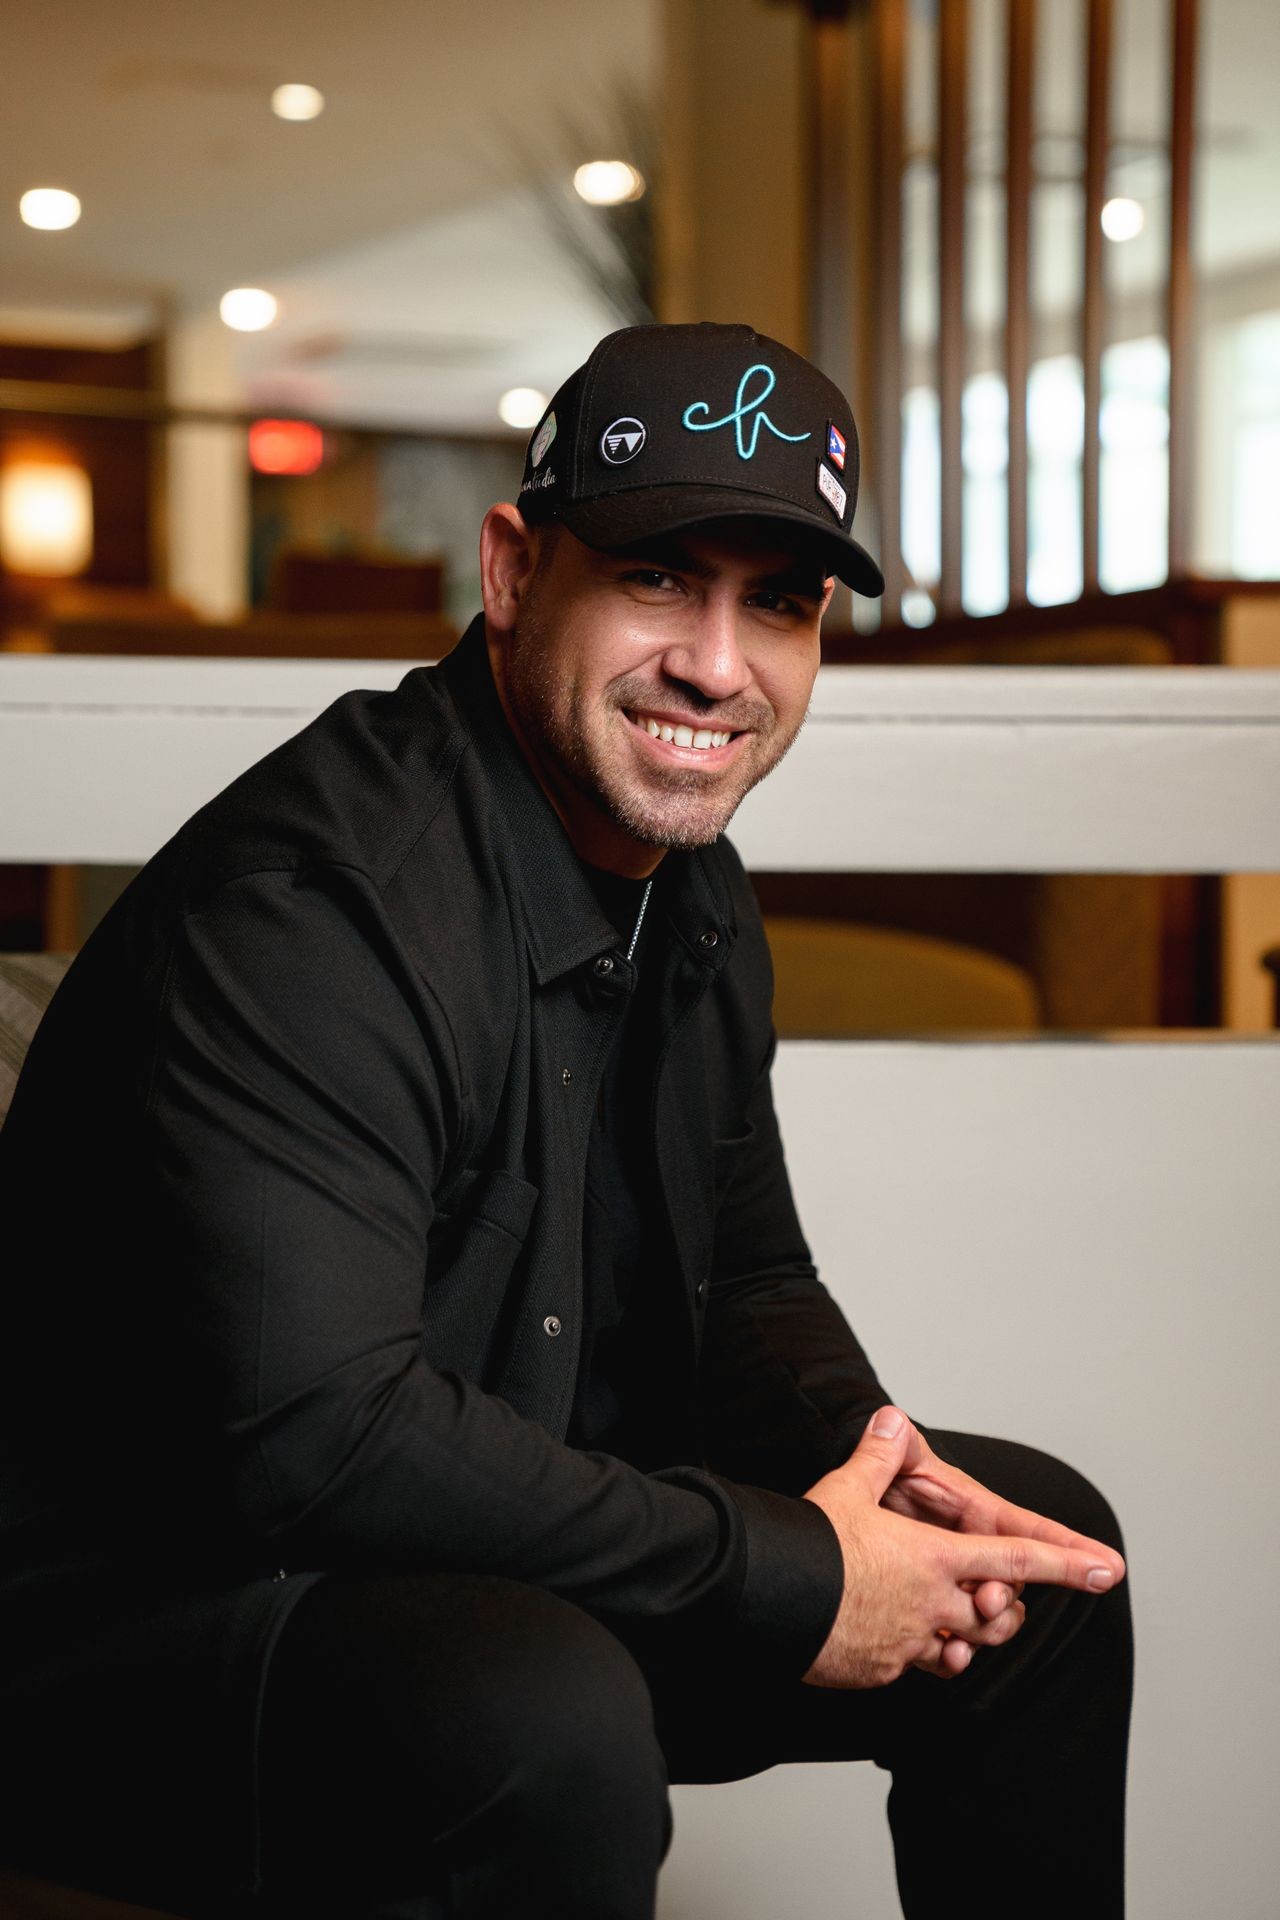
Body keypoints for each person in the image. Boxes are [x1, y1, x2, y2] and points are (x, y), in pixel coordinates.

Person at [0, 321, 1131, 1920]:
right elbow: (317, 1440)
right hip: (133, 1626)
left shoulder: (693, 892)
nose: (718, 666)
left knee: (1036, 1570)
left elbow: (747, 1285)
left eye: (781, 603)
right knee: (538, 1710)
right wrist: (796, 1577)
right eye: (660, 576)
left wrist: (890, 1500)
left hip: (458, 1539)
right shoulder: (317, 904)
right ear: (515, 571)